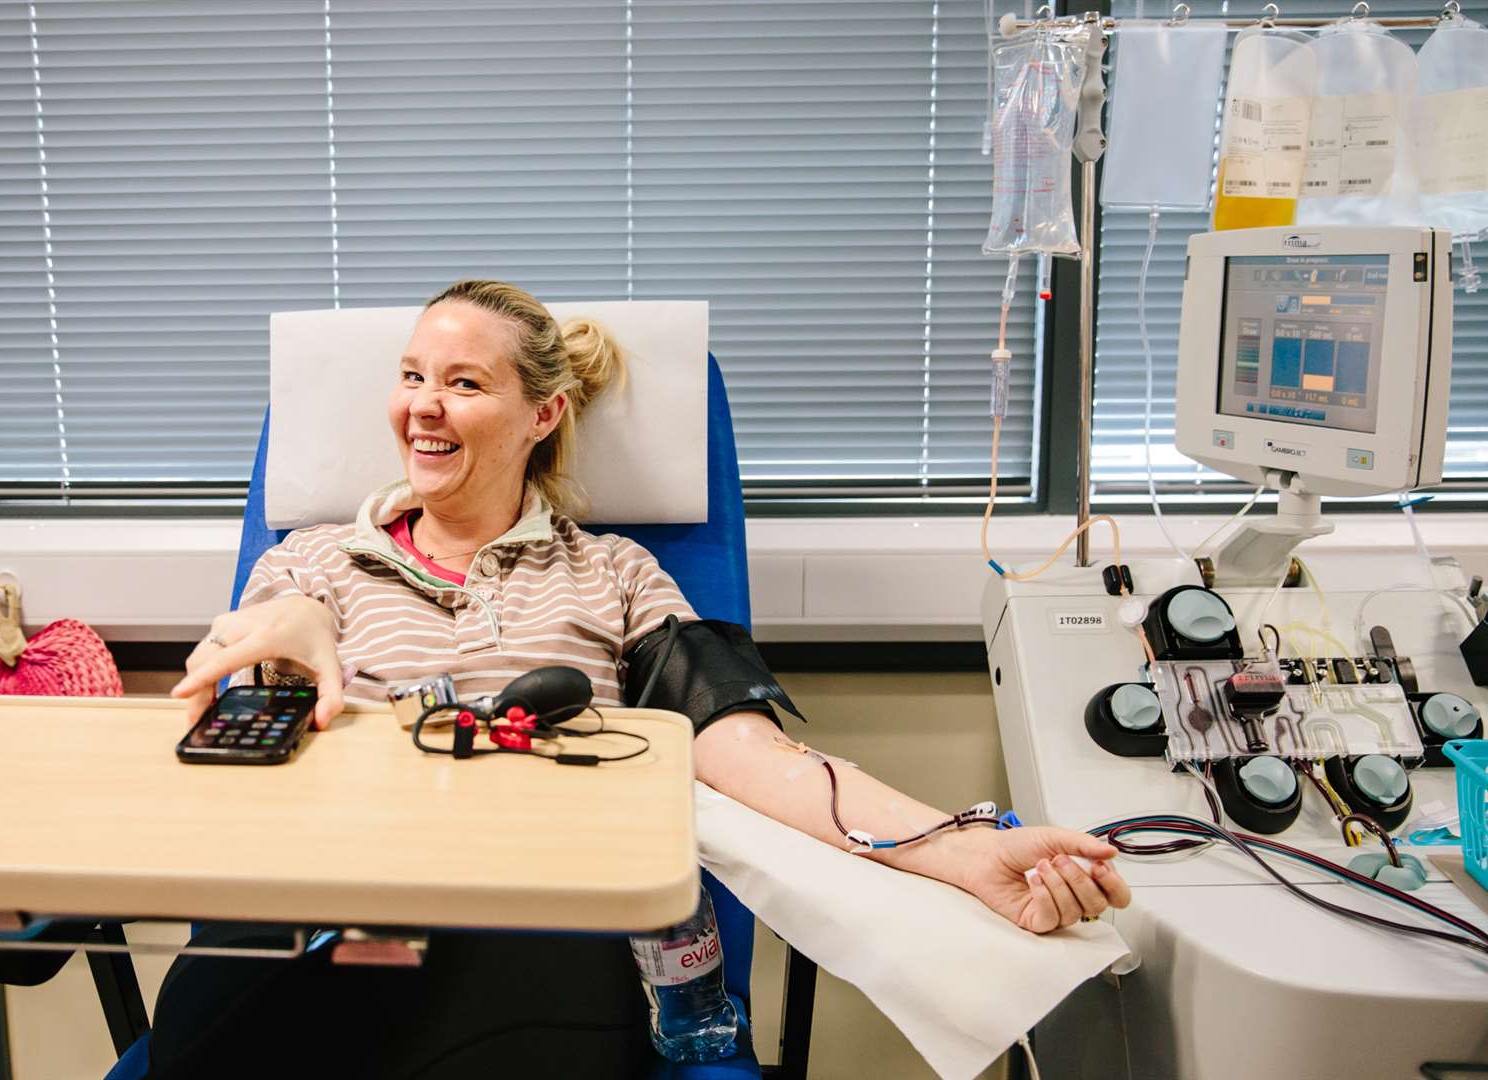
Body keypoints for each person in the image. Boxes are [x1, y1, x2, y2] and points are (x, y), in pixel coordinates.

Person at [158, 279, 1131, 1078]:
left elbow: (748, 753)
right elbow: (263, 648)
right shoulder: (317, 560)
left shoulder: (616, 574)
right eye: (413, 376)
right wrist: (282, 632)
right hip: (332, 916)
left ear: (542, 413)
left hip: (537, 925)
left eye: (463, 382)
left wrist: (962, 850)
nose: (423, 405)